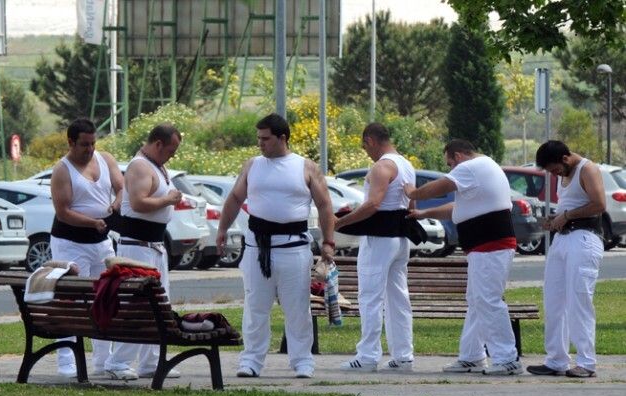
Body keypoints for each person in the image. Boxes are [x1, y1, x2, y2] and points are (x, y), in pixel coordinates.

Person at [216, 113, 335, 379]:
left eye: (266, 139)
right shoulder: (252, 165)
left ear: (282, 138)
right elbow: (235, 198)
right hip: (257, 247)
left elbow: (325, 205)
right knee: (256, 307)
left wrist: (329, 242)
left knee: (297, 308)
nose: (261, 143)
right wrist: (222, 229)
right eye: (258, 138)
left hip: (293, 248)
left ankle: (302, 361)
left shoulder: (305, 167)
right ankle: (251, 361)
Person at [404, 139, 523, 375]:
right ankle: (472, 356)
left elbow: (441, 187)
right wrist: (424, 213)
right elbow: (457, 209)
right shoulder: (483, 167)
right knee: (477, 301)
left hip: (490, 244)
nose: (450, 169)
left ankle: (507, 358)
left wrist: (413, 192)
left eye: (450, 163)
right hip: (485, 246)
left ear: (458, 156)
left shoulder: (470, 168)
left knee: (487, 300)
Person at [103, 123, 183, 380]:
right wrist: (168, 200)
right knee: (137, 304)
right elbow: (138, 203)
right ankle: (118, 361)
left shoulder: (157, 165)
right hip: (137, 248)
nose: (172, 155)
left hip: (155, 246)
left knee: (160, 305)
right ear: (158, 144)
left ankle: (152, 360)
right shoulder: (140, 166)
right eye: (171, 150)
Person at [335, 123, 416, 372]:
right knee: (398, 297)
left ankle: (368, 356)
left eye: (364, 145)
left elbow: (373, 204)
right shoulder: (407, 165)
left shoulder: (382, 166)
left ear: (370, 140)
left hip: (379, 238)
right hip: (400, 237)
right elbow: (413, 200)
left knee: (370, 296)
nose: (365, 151)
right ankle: (403, 356)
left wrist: (341, 222)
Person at [49, 118, 124, 378]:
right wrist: (92, 222)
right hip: (70, 241)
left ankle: (103, 360)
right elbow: (63, 211)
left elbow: (121, 187)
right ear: (71, 142)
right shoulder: (62, 169)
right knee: (71, 299)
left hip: (102, 240)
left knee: (104, 296)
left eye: (93, 143)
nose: (90, 149)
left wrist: (116, 203)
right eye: (84, 144)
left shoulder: (105, 159)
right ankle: (66, 361)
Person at [527, 140, 605, 378]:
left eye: (554, 169)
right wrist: (556, 219)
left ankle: (586, 362)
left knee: (578, 301)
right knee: (554, 301)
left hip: (584, 238)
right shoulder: (564, 174)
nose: (554, 174)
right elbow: (570, 204)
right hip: (562, 238)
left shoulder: (587, 169)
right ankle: (556, 359)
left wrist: (567, 215)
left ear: (565, 158)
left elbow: (599, 204)